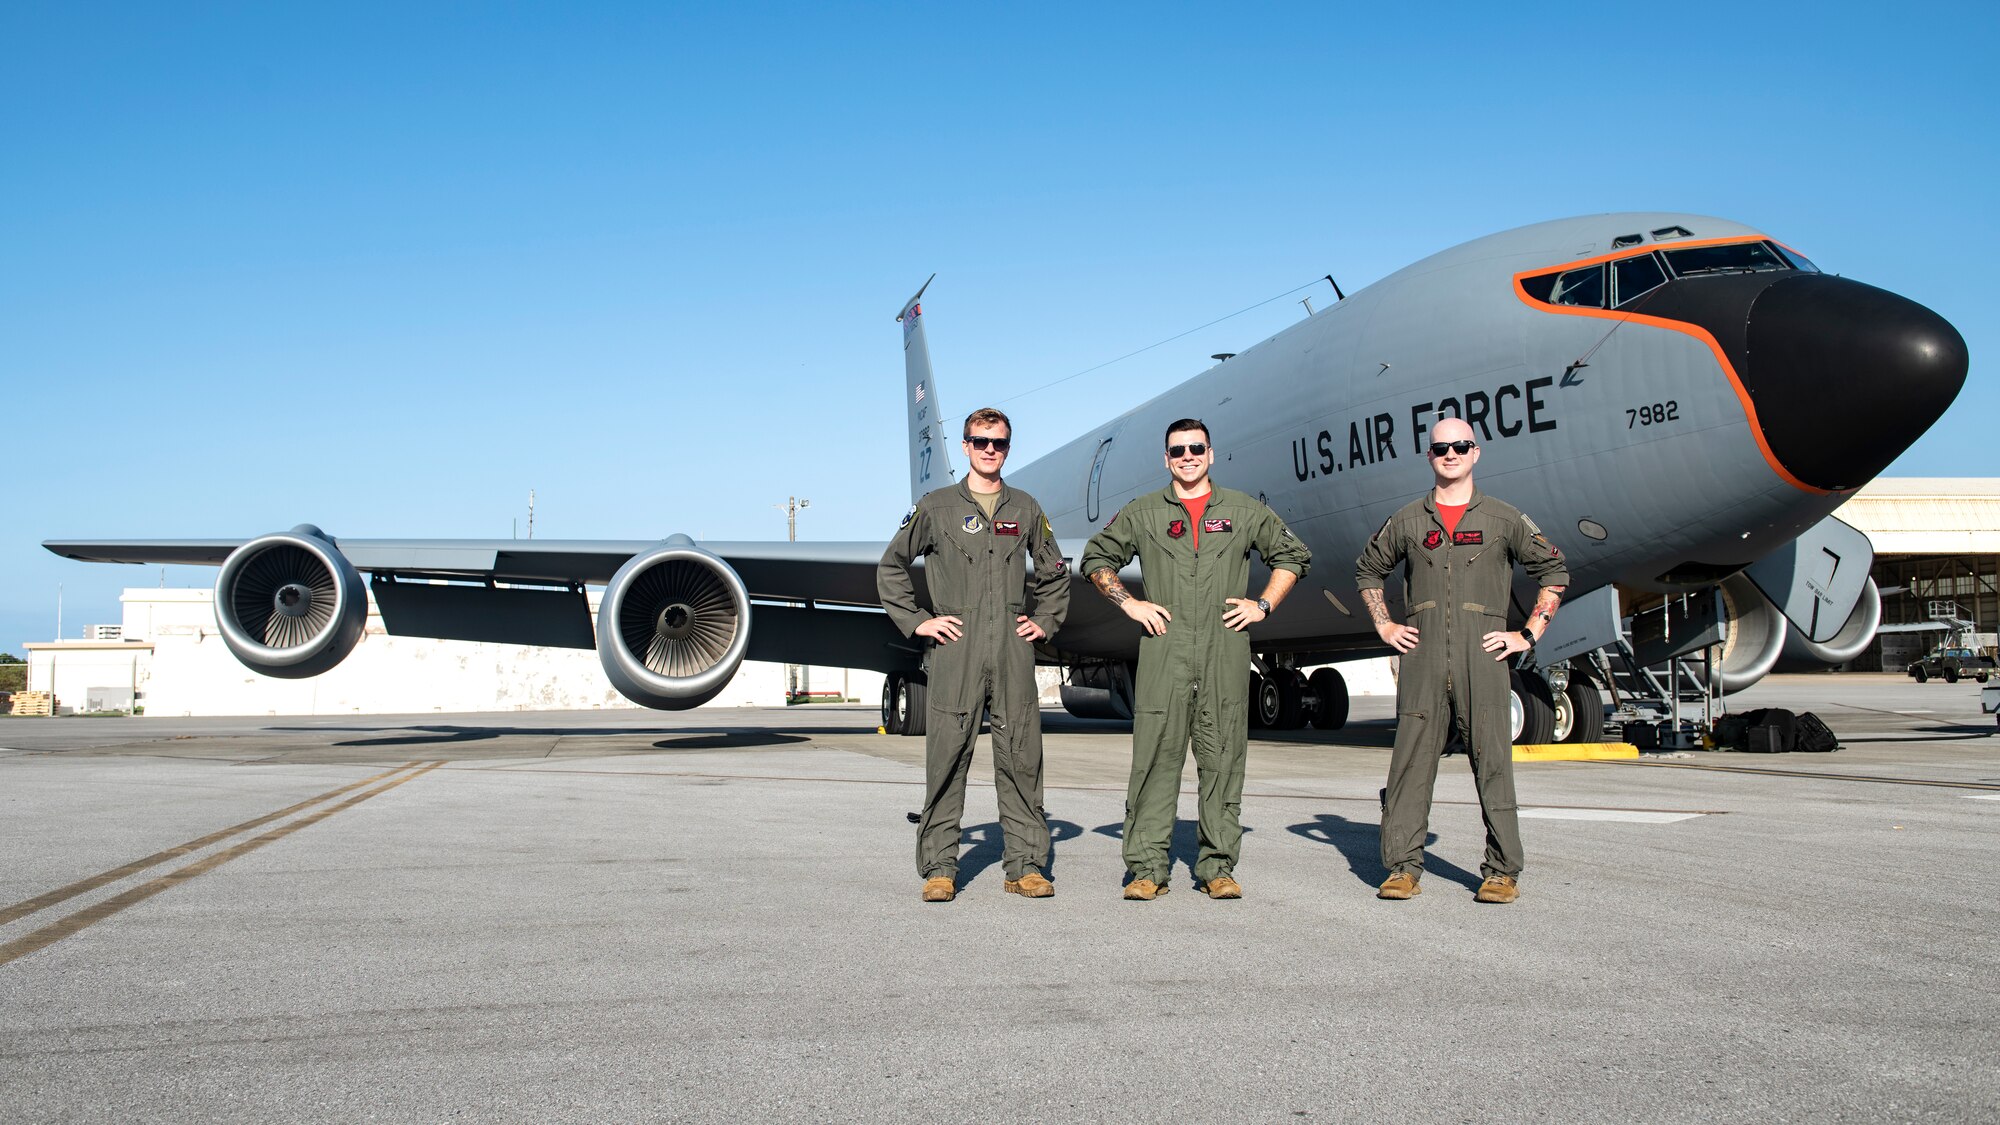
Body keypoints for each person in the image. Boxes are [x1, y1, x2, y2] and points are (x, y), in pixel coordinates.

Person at [1080, 419, 1310, 901]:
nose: (1187, 456)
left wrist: (1262, 605)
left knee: (1224, 759)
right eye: (1177, 450)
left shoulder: (1245, 511)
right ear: (1166, 458)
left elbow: (1292, 556)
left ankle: (1218, 866)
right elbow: (1096, 558)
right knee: (1155, 760)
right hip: (1165, 649)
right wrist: (1130, 604)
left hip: (1225, 651)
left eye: (1195, 448)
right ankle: (1146, 868)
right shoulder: (1143, 513)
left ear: (1211, 453)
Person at [1353, 417, 1569, 904]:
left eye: (1460, 446)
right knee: (1410, 763)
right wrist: (1385, 625)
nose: (1450, 453)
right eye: (1440, 448)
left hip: (1483, 654)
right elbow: (1368, 569)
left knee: (1493, 763)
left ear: (1476, 453)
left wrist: (1528, 634)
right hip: (1423, 656)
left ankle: (1501, 871)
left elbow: (1554, 571)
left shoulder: (1504, 519)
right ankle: (1403, 867)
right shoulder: (1408, 520)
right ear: (1429, 457)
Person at [878, 407, 1071, 903]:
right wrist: (920, 620)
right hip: (955, 649)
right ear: (965, 445)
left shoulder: (1025, 508)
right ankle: (941, 867)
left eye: (999, 442)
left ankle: (1025, 865)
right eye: (980, 440)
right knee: (946, 758)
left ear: (1008, 448)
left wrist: (1044, 621)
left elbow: (1054, 572)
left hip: (1011, 650)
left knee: (1022, 759)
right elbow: (892, 565)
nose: (990, 449)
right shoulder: (936, 506)